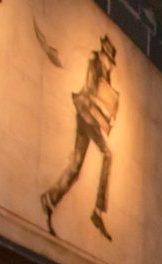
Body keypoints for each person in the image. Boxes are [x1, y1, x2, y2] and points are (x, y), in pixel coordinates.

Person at [41, 35, 119, 240]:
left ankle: (50, 199)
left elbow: (104, 96)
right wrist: (104, 112)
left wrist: (108, 116)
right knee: (108, 155)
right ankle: (97, 211)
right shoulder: (94, 63)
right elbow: (93, 93)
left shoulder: (105, 73)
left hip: (90, 118)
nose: (110, 66)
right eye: (109, 61)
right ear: (104, 56)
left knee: (76, 167)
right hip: (86, 115)